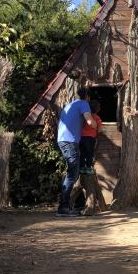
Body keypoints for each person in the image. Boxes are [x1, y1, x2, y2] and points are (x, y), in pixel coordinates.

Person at [55, 88, 97, 217]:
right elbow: (90, 122)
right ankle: (63, 207)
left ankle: (77, 204)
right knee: (73, 173)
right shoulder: (83, 104)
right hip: (69, 141)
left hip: (64, 140)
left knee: (74, 171)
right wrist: (97, 125)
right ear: (88, 97)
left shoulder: (70, 104)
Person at [79, 100, 102, 175]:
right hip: (90, 139)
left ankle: (82, 167)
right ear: (98, 109)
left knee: (82, 153)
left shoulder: (85, 117)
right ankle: (88, 168)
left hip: (81, 138)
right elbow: (99, 130)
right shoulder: (97, 118)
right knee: (90, 153)